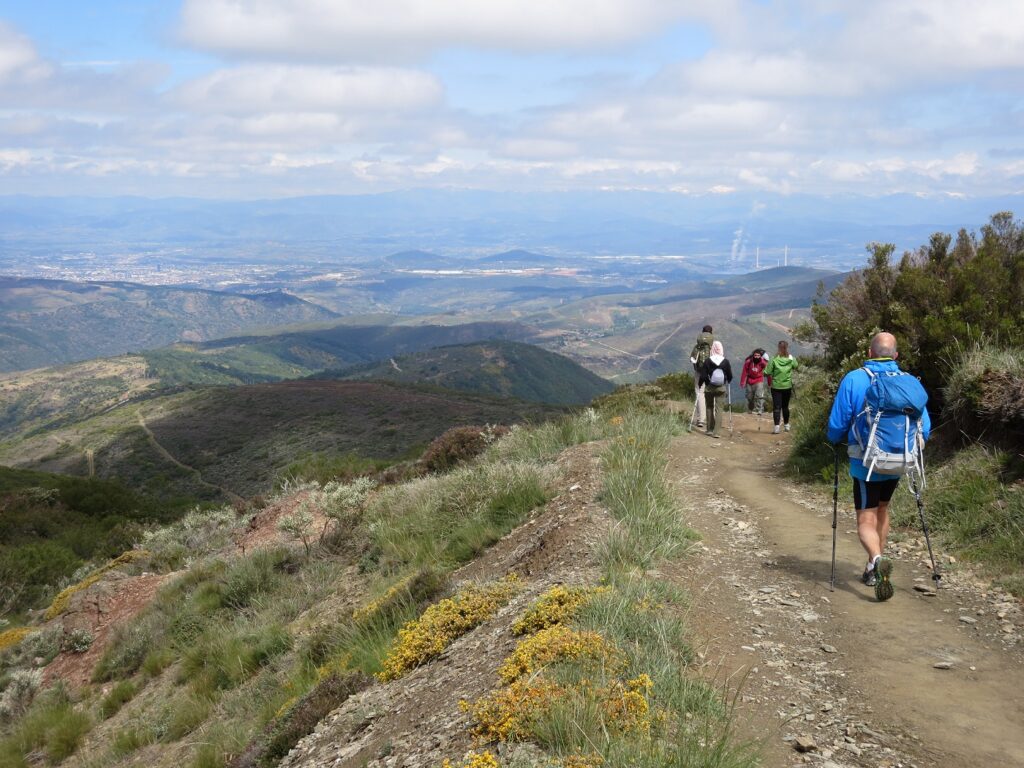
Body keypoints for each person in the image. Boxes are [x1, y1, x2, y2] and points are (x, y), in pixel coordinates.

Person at [826, 332, 931, 601]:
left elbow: (837, 426)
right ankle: (873, 569)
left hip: (865, 462)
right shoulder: (908, 383)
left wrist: (835, 440)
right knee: (883, 508)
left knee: (865, 517)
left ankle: (876, 558)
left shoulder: (854, 378)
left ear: (870, 353)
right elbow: (925, 427)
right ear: (896, 356)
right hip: (899, 462)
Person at [698, 340, 732, 438]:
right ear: (721, 349)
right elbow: (730, 375)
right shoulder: (725, 361)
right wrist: (727, 381)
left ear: (712, 349)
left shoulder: (708, 360)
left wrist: (701, 384)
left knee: (709, 407)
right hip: (721, 388)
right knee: (719, 409)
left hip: (709, 388)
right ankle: (716, 432)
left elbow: (703, 375)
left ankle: (709, 429)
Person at [763, 340, 797, 434]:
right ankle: (786, 425)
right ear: (787, 348)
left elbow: (767, 372)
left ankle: (777, 427)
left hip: (776, 386)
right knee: (785, 406)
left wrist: (765, 373)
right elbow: (796, 365)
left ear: (778, 348)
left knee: (777, 407)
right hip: (787, 386)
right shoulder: (791, 358)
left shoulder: (774, 359)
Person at [689, 325, 715, 429]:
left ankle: (701, 419)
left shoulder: (697, 347)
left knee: (699, 393)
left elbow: (692, 359)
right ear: (711, 333)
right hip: (712, 373)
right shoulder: (714, 346)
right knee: (711, 393)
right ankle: (712, 419)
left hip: (699, 372)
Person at [740, 348, 768, 414]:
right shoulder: (748, 362)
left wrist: (769, 380)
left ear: (760, 356)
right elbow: (744, 372)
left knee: (759, 395)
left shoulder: (763, 363)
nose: (757, 357)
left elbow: (768, 371)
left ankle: (760, 409)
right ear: (753, 355)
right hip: (749, 381)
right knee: (749, 397)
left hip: (759, 380)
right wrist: (742, 382)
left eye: (758, 355)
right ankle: (750, 409)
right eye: (755, 355)